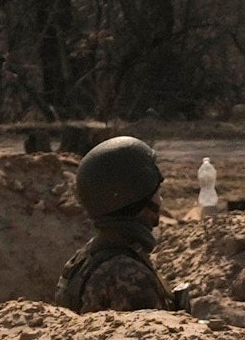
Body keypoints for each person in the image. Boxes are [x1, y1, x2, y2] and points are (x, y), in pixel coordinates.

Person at [60, 133, 182, 311]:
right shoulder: (128, 275)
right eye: (156, 192)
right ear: (138, 197)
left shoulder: (86, 258)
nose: (161, 199)